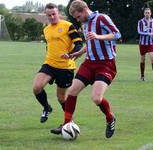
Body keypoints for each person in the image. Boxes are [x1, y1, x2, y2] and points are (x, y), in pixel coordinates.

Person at [51, 0, 121, 138]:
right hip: (89, 63)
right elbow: (89, 44)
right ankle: (66, 124)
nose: (78, 20)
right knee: (72, 91)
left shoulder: (102, 18)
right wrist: (76, 53)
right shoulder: (84, 24)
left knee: (96, 98)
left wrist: (99, 36)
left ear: (84, 9)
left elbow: (117, 34)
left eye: (78, 16)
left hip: (106, 64)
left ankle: (110, 118)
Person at [32, 3, 82, 125]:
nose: (52, 17)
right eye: (49, 15)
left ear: (58, 13)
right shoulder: (46, 29)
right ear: (46, 15)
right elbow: (49, 46)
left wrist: (70, 54)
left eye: (54, 14)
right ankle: (46, 108)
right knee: (36, 87)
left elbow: (79, 44)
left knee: (61, 98)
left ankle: (69, 122)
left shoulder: (68, 26)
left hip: (65, 67)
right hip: (49, 64)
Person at [137, 8, 153, 82]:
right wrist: (147, 34)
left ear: (150, 13)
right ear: (144, 13)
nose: (147, 14)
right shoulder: (140, 22)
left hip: (151, 43)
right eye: (146, 12)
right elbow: (139, 31)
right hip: (142, 43)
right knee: (142, 60)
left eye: (148, 12)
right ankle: (142, 76)